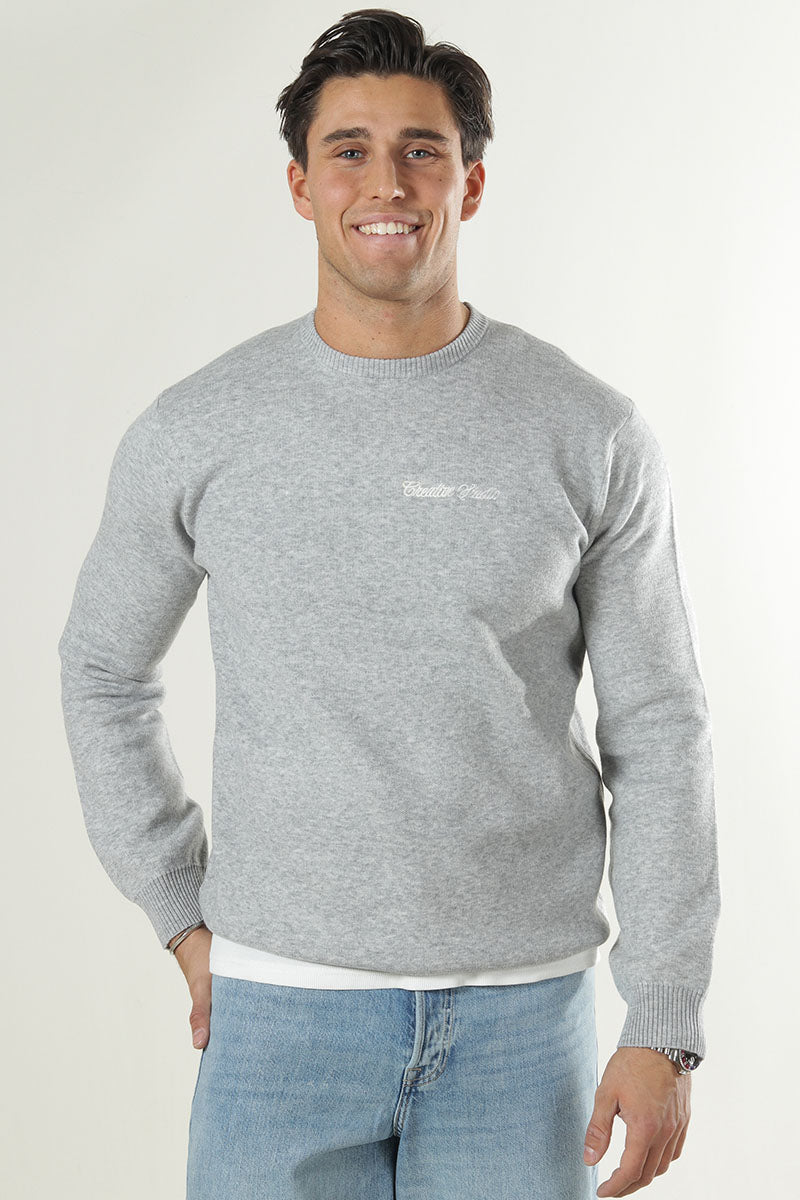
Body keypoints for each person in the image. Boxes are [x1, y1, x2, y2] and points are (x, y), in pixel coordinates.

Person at [57, 8, 721, 1199]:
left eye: (421, 150)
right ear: (299, 186)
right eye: (348, 150)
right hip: (276, 1017)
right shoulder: (198, 428)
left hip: (525, 1026)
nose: (386, 183)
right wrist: (177, 909)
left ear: (470, 184)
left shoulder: (588, 431)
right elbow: (103, 668)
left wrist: (661, 1020)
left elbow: (659, 726)